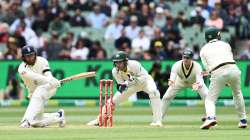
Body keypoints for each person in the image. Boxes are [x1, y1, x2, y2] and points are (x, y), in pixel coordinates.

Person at [87, 51, 162, 127]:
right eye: (116, 62)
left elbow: (143, 78)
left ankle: (157, 121)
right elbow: (122, 85)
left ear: (125, 61)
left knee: (154, 92)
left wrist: (127, 83)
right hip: (132, 86)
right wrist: (121, 87)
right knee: (111, 102)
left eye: (120, 62)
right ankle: (99, 121)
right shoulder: (115, 71)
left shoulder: (134, 64)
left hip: (146, 82)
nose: (118, 65)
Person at [200, 27, 247, 129]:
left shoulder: (203, 50)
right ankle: (243, 120)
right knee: (237, 93)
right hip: (233, 68)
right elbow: (228, 58)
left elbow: (208, 69)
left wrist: (221, 79)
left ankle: (211, 118)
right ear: (218, 35)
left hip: (217, 71)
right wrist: (227, 79)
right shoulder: (226, 45)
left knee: (210, 100)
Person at [18, 45, 65, 128]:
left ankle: (26, 120)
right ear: (23, 57)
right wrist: (50, 80)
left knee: (40, 90)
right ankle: (59, 116)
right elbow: (35, 77)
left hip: (48, 88)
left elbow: (48, 74)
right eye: (28, 56)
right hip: (34, 93)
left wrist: (52, 81)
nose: (31, 58)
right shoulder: (22, 69)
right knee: (36, 123)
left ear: (35, 54)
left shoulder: (42, 60)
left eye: (32, 55)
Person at [161, 49, 208, 121]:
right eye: (184, 57)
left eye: (188, 58)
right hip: (180, 82)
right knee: (166, 97)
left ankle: (210, 117)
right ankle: (159, 118)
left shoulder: (197, 66)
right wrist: (171, 82)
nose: (185, 59)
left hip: (194, 82)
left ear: (191, 58)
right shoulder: (176, 65)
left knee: (207, 95)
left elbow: (200, 80)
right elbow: (172, 77)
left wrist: (198, 85)